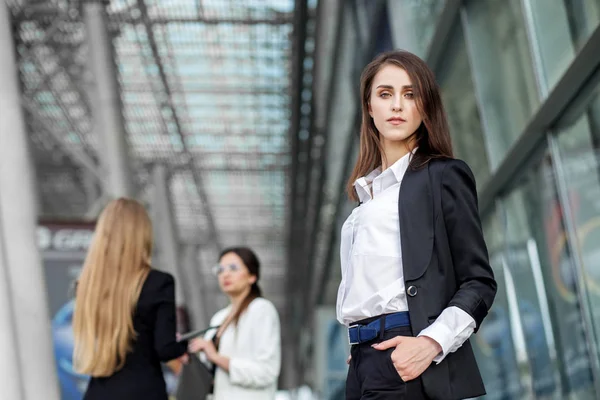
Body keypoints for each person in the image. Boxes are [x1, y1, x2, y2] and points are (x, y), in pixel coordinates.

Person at [338, 50, 497, 400]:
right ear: (369, 107)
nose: (397, 105)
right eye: (385, 94)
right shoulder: (365, 200)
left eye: (410, 95)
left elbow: (479, 282)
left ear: (425, 107)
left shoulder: (442, 176)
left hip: (407, 358)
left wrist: (430, 342)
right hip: (362, 362)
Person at [72, 198, 188, 400]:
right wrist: (185, 344)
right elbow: (165, 349)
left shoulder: (86, 286)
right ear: (142, 235)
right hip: (144, 391)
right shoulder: (159, 282)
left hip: (98, 393)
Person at [189, 247, 281, 400]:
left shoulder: (261, 310)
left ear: (252, 276)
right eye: (220, 269)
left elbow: (267, 372)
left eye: (233, 268)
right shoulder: (219, 318)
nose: (225, 274)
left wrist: (215, 357)